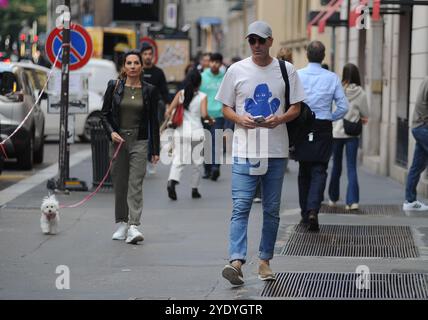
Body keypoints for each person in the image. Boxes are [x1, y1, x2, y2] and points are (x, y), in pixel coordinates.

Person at [216, 21, 305, 285]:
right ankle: (236, 261)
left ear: (270, 42)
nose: (256, 45)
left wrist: (279, 119)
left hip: (276, 150)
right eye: (251, 40)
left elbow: (297, 107)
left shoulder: (286, 70)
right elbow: (225, 107)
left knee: (271, 209)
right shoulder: (236, 70)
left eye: (260, 40)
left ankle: (265, 261)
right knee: (241, 206)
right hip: (245, 149)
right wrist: (240, 119)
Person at [101, 50, 160, 244]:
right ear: (124, 67)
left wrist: (155, 150)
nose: (133, 66)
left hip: (140, 141)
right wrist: (111, 132)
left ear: (142, 66)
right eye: (129, 63)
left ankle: (134, 225)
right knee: (120, 183)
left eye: (136, 63)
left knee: (135, 182)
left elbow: (153, 120)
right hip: (119, 140)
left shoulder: (149, 90)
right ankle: (122, 223)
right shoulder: (114, 86)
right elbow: (105, 114)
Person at [296, 41, 348, 232]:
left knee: (304, 170)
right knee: (320, 169)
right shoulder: (332, 77)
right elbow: (343, 107)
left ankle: (304, 212)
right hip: (323, 127)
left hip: (303, 126)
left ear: (307, 55)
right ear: (323, 56)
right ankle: (313, 209)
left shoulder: (298, 75)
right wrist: (330, 118)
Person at [165, 70, 212, 200]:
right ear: (200, 82)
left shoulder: (181, 94)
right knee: (197, 162)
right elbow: (204, 115)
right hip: (197, 132)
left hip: (181, 131)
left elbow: (168, 111)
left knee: (178, 159)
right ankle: (194, 189)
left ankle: (172, 181)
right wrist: (210, 119)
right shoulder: (203, 96)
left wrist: (172, 116)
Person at [328, 63, 369, 210]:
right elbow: (365, 115)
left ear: (344, 75)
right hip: (352, 134)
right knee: (352, 167)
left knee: (336, 167)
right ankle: (352, 202)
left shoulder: (337, 89)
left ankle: (333, 198)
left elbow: (332, 110)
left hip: (337, 133)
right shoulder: (361, 93)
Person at [140, 43, 169, 175]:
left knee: (152, 133)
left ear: (153, 56)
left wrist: (168, 106)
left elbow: (164, 91)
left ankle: (151, 159)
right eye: (145, 54)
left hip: (155, 108)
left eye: (149, 54)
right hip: (139, 107)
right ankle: (141, 160)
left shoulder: (158, 72)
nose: (147, 57)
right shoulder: (137, 70)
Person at [403, 77, 428, 211]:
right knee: (417, 167)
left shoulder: (425, 80)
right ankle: (410, 200)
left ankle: (410, 201)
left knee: (417, 166)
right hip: (423, 127)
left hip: (418, 127)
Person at [200, 53, 226, 181]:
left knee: (216, 142)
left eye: (217, 62)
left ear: (221, 64)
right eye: (212, 62)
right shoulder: (203, 77)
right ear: (209, 63)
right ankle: (207, 169)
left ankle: (215, 167)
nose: (214, 64)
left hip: (219, 115)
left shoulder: (225, 78)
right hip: (205, 114)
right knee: (206, 142)